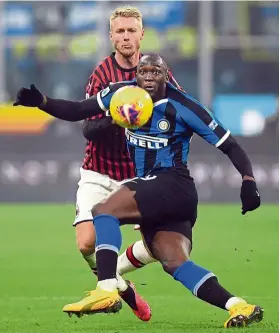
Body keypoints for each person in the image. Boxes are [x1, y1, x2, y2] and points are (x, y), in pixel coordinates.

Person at [13, 54, 263, 328]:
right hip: (163, 192)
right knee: (174, 261)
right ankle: (238, 305)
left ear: (166, 76)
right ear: (137, 74)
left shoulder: (184, 106)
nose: (148, 76)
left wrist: (248, 181)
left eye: (156, 71)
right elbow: (78, 111)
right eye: (144, 71)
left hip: (174, 183)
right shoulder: (122, 94)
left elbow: (230, 145)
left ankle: (107, 289)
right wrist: (42, 102)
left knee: (103, 210)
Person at [74, 5, 181, 321]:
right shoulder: (101, 76)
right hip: (98, 170)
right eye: (119, 31)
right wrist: (117, 117)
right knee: (84, 244)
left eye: (131, 30)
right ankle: (121, 286)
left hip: (139, 174)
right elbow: (88, 129)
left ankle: (110, 279)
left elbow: (178, 114)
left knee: (163, 245)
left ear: (142, 34)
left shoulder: (158, 72)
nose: (125, 37)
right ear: (111, 36)